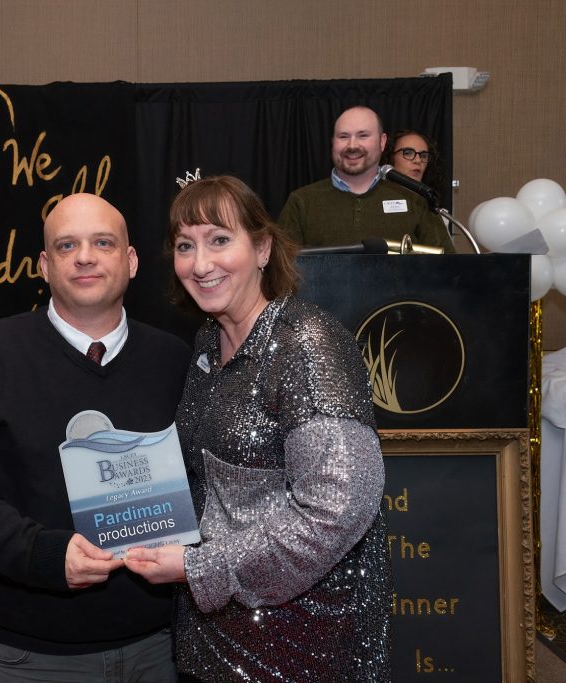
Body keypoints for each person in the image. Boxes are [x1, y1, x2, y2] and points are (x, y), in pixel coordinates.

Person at [0, 192, 191, 682]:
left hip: (160, 646)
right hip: (28, 654)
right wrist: (38, 553)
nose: (84, 256)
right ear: (44, 265)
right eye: (66, 246)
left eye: (102, 242)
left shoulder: (176, 361)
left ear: (130, 261)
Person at [125, 175, 392, 682]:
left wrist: (199, 568)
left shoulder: (306, 343)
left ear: (263, 247)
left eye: (220, 240)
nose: (200, 264)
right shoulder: (208, 341)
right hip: (215, 620)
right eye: (186, 246)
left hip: (300, 632)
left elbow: (339, 506)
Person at [277, 105, 454, 252]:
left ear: (382, 142)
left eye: (363, 135)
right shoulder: (301, 202)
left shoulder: (416, 200)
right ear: (333, 142)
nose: (352, 145)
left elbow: (447, 268)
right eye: (343, 136)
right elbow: (280, 273)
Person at [382, 129, 443, 193]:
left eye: (423, 156)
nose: (418, 160)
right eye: (408, 153)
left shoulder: (429, 198)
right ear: (390, 157)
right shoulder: (376, 197)